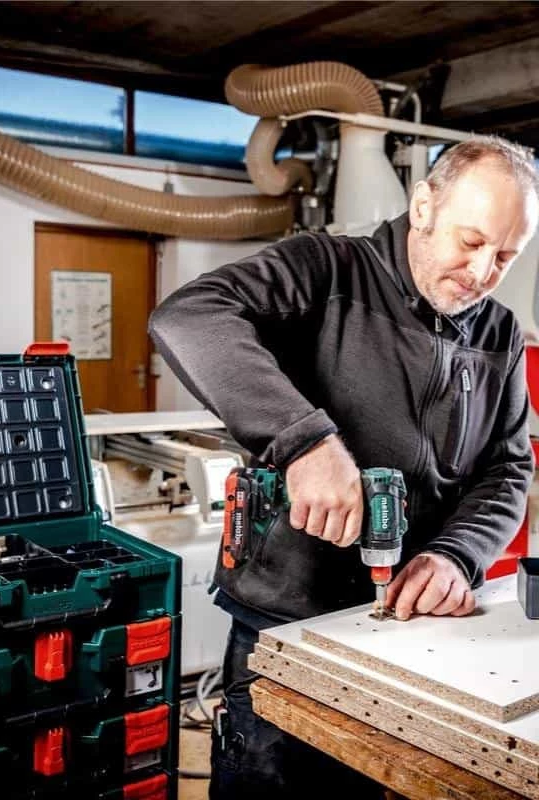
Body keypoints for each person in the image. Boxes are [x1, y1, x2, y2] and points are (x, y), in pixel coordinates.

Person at [148, 135, 539, 799]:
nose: (481, 272)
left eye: (505, 256)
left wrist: (457, 555)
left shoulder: (498, 333)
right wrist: (305, 442)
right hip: (288, 621)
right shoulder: (326, 270)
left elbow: (507, 470)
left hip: (411, 628)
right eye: (470, 241)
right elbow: (188, 317)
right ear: (423, 207)